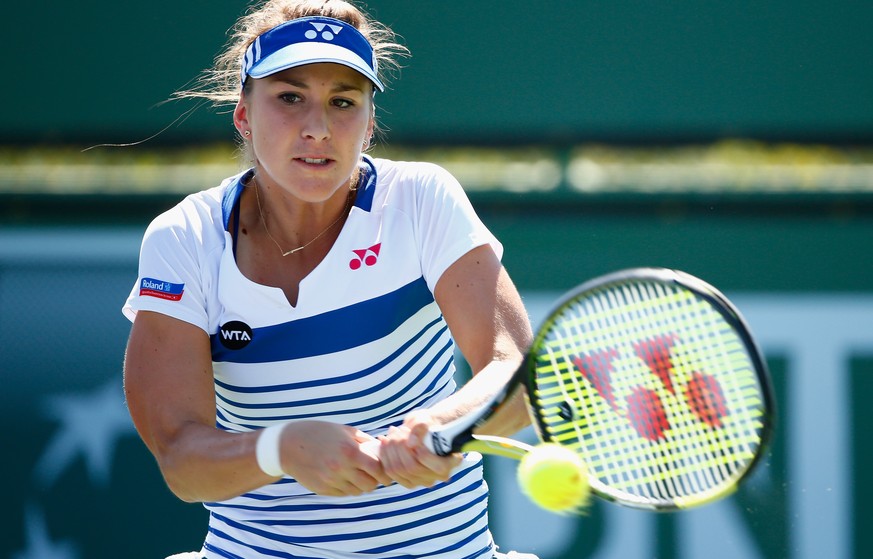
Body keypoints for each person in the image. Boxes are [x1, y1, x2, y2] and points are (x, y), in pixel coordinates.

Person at [122, 1, 537, 558]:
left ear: (368, 123)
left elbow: (517, 369)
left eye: (342, 102)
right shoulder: (184, 240)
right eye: (289, 98)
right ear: (244, 113)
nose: (317, 129)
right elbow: (181, 461)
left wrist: (444, 427)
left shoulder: (420, 199)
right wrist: (281, 449)